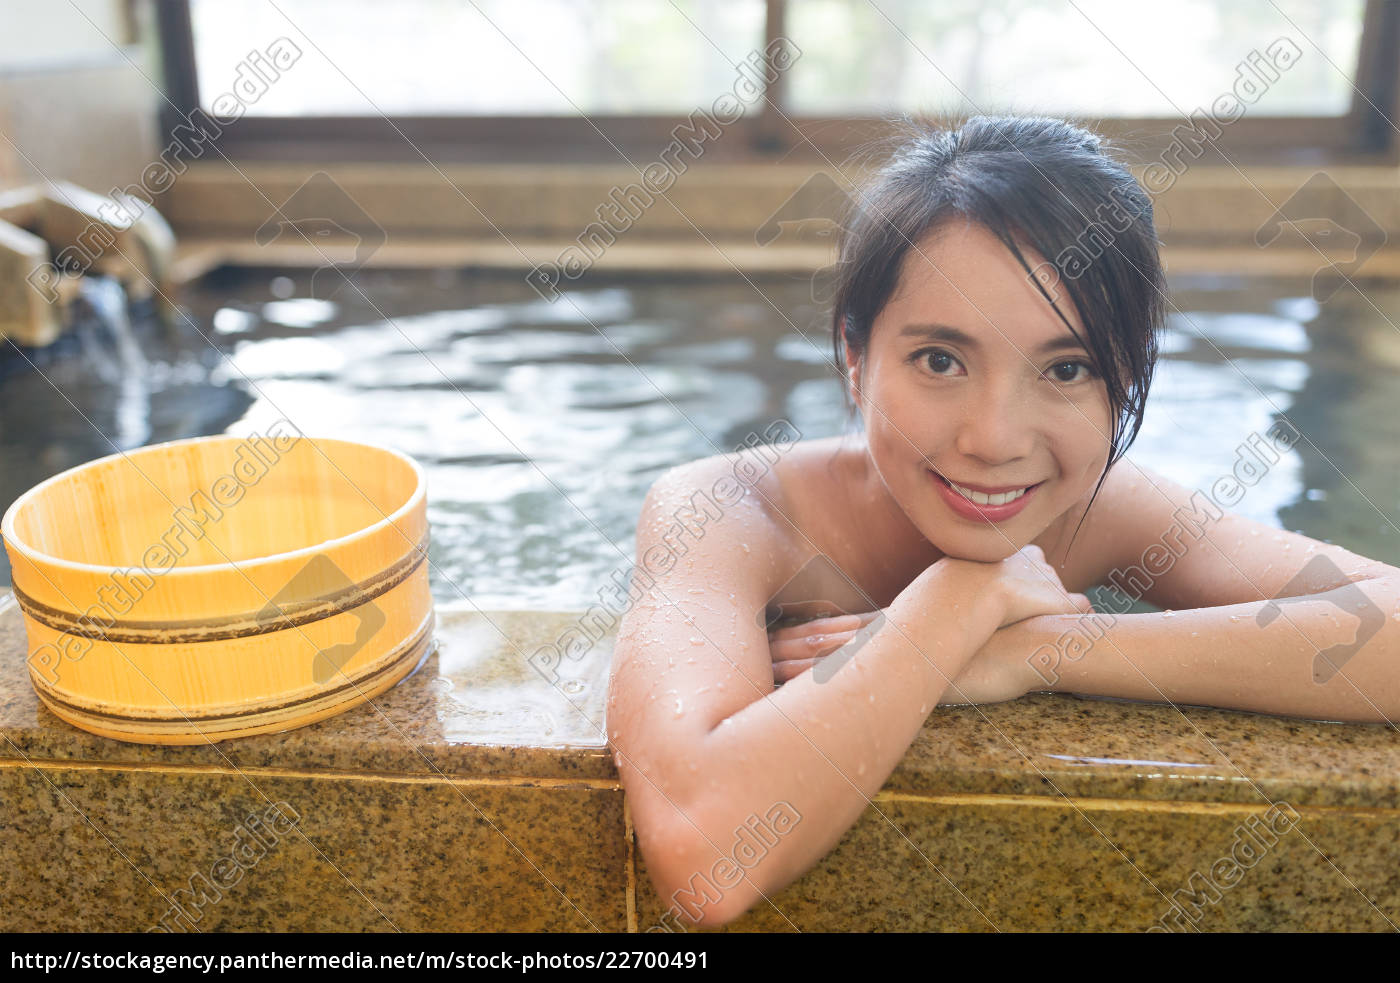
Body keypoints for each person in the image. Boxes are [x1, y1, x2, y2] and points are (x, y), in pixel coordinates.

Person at [604, 114, 1400, 930]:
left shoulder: (1104, 508)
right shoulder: (734, 509)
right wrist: (951, 604)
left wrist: (1043, 650)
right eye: (940, 360)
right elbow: (703, 851)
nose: (994, 440)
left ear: (1123, 381)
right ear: (853, 355)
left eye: (1067, 368)